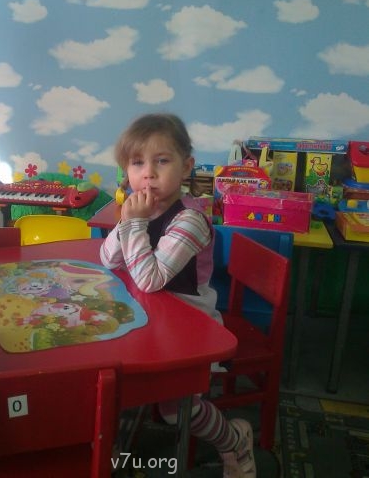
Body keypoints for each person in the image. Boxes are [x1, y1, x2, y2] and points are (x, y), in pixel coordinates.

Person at [100, 113, 256, 478]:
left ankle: (235, 441)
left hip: (190, 326)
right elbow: (108, 259)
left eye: (161, 161)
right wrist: (127, 222)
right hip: (149, 317)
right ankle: (111, 440)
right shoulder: (139, 211)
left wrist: (134, 223)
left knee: (175, 410)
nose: (148, 174)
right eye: (137, 163)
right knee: (110, 372)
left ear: (185, 167)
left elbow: (149, 279)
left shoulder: (190, 220)